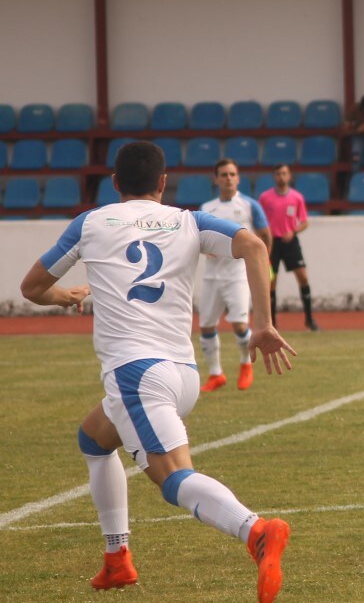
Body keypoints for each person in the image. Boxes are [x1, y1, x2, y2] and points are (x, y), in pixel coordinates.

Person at [18, 141, 296, 602]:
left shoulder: (91, 222)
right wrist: (262, 324)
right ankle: (116, 559)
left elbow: (31, 288)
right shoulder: (188, 220)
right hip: (181, 373)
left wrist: (65, 296)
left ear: (114, 185)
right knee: (93, 438)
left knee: (173, 480)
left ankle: (256, 530)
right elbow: (253, 245)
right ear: (163, 184)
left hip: (136, 374)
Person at [197, 159, 272, 392]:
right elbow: (197, 238)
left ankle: (245, 365)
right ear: (216, 179)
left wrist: (262, 260)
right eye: (223, 174)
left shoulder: (250, 206)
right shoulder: (206, 208)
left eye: (232, 174)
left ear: (238, 178)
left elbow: (265, 235)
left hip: (238, 275)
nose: (228, 178)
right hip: (211, 276)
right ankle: (215, 373)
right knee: (206, 326)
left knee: (240, 324)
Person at [258, 164, 318, 331]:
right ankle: (272, 323)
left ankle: (309, 319)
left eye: (284, 173)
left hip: (290, 241)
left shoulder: (296, 198)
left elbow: (304, 222)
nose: (281, 177)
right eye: (278, 174)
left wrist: (293, 231)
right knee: (271, 281)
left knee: (303, 277)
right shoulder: (265, 198)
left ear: (289, 176)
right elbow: (259, 221)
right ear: (274, 177)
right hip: (272, 244)